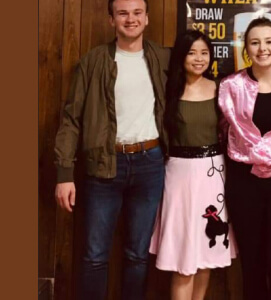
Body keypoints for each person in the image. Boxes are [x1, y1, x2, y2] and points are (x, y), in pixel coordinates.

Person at [53, 0, 170, 299]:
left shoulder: (163, 58)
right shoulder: (93, 61)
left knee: (137, 255)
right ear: (111, 20)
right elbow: (71, 118)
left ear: (146, 18)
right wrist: (64, 173)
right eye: (122, 13)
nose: (130, 19)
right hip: (104, 165)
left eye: (136, 13)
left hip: (150, 164)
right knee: (94, 256)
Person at [218, 17, 271, 300]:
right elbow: (219, 129)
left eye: (269, 42)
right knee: (252, 265)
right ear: (247, 48)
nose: (262, 48)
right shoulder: (230, 86)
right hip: (244, 182)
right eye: (254, 42)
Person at [149, 30, 236, 300]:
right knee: (184, 256)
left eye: (204, 53)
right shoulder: (167, 90)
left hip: (214, 174)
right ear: (181, 56)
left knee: (206, 254)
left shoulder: (222, 88)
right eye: (191, 52)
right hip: (179, 174)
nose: (199, 59)